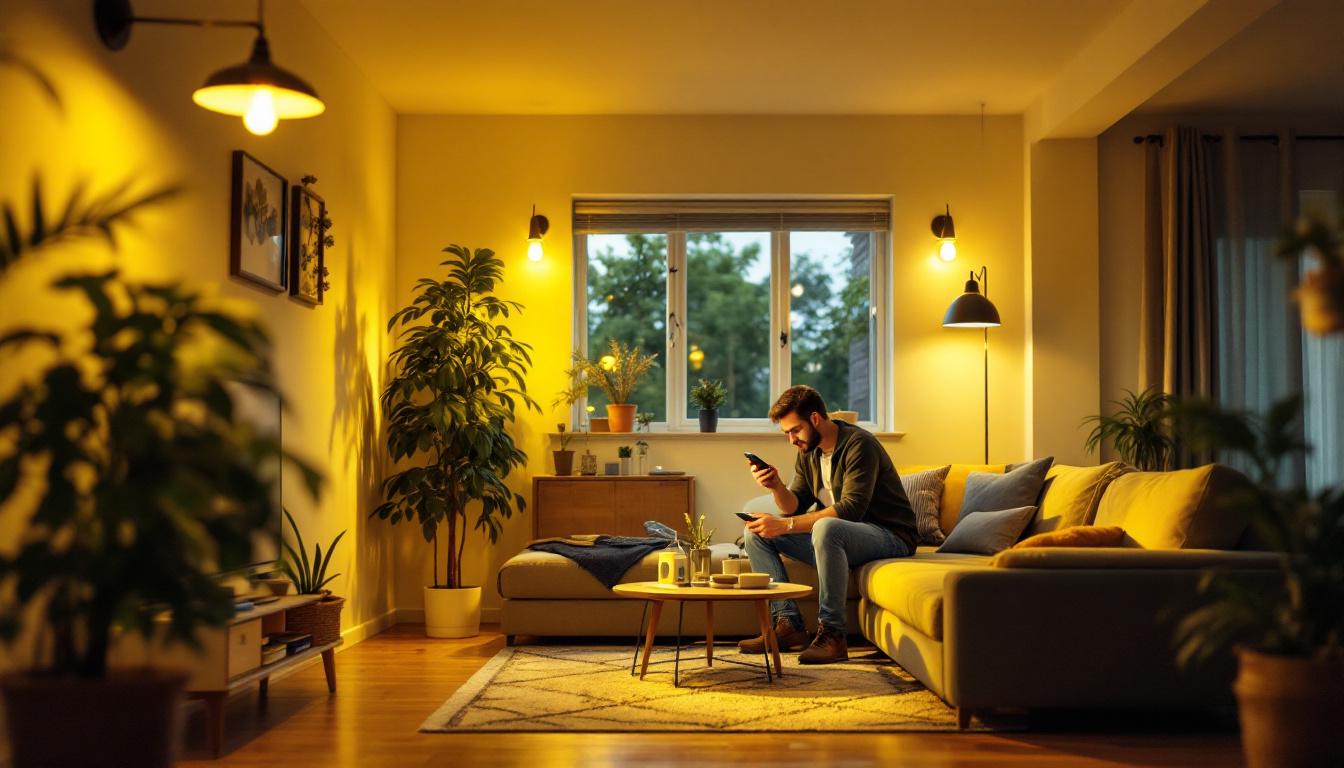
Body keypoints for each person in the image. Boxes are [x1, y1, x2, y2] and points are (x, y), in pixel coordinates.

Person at [739, 385, 917, 664]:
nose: (791, 440)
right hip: (840, 541)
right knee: (755, 532)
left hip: (889, 536)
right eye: (786, 433)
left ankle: (833, 634)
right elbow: (795, 503)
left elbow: (850, 510)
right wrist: (775, 487)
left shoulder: (860, 444)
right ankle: (788, 625)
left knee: (825, 527)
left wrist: (785, 527)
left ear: (815, 419)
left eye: (794, 430)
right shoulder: (809, 451)